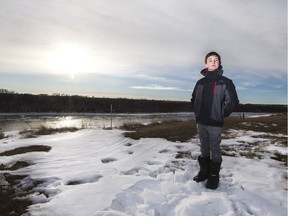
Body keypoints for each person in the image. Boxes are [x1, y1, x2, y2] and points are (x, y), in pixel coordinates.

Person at [191, 51, 239, 189]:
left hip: (215, 123)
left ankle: (213, 176)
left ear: (219, 63)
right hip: (201, 122)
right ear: (206, 63)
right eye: (210, 60)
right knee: (204, 147)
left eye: (216, 60)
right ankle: (204, 171)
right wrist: (197, 114)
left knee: (215, 149)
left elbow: (233, 101)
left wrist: (222, 114)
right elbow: (193, 99)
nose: (213, 62)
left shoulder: (226, 82)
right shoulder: (200, 82)